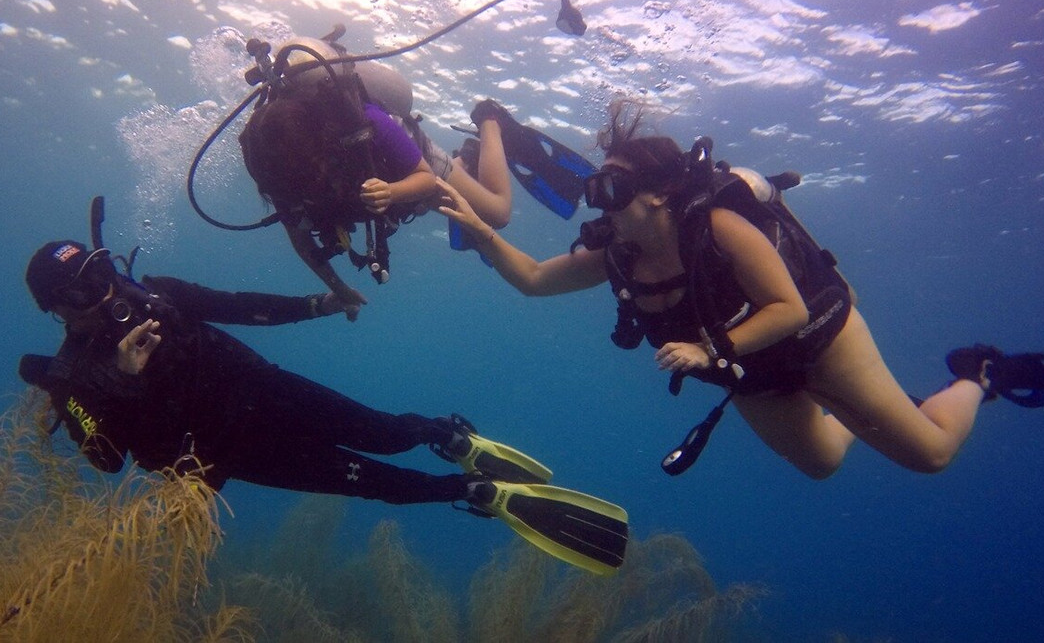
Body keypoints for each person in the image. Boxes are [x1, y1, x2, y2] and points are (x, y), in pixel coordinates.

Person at [437, 99, 1044, 479]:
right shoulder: (618, 253)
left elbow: (788, 307)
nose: (598, 199)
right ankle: (883, 407)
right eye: (596, 187)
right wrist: (484, 236)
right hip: (745, 369)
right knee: (823, 462)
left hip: (814, 339)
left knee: (931, 455)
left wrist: (709, 351)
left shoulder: (718, 227)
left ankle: (979, 374)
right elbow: (534, 280)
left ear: (660, 194)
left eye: (612, 186)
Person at [18, 238, 629, 575]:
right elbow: (103, 457)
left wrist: (319, 303)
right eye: (84, 291)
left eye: (102, 273)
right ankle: (475, 495)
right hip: (231, 451)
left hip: (264, 388)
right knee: (370, 483)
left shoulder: (160, 295)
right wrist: (122, 382)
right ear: (59, 308)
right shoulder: (72, 380)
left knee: (385, 432)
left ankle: (449, 437)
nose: (106, 294)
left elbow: (238, 304)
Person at [237, 36, 593, 316]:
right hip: (385, 184)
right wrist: (340, 289)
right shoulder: (278, 172)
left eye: (312, 174)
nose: (311, 187)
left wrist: (391, 191)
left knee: (497, 214)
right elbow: (303, 243)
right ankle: (466, 162)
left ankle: (490, 119)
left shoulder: (368, 122)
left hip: (406, 161)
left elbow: (422, 177)